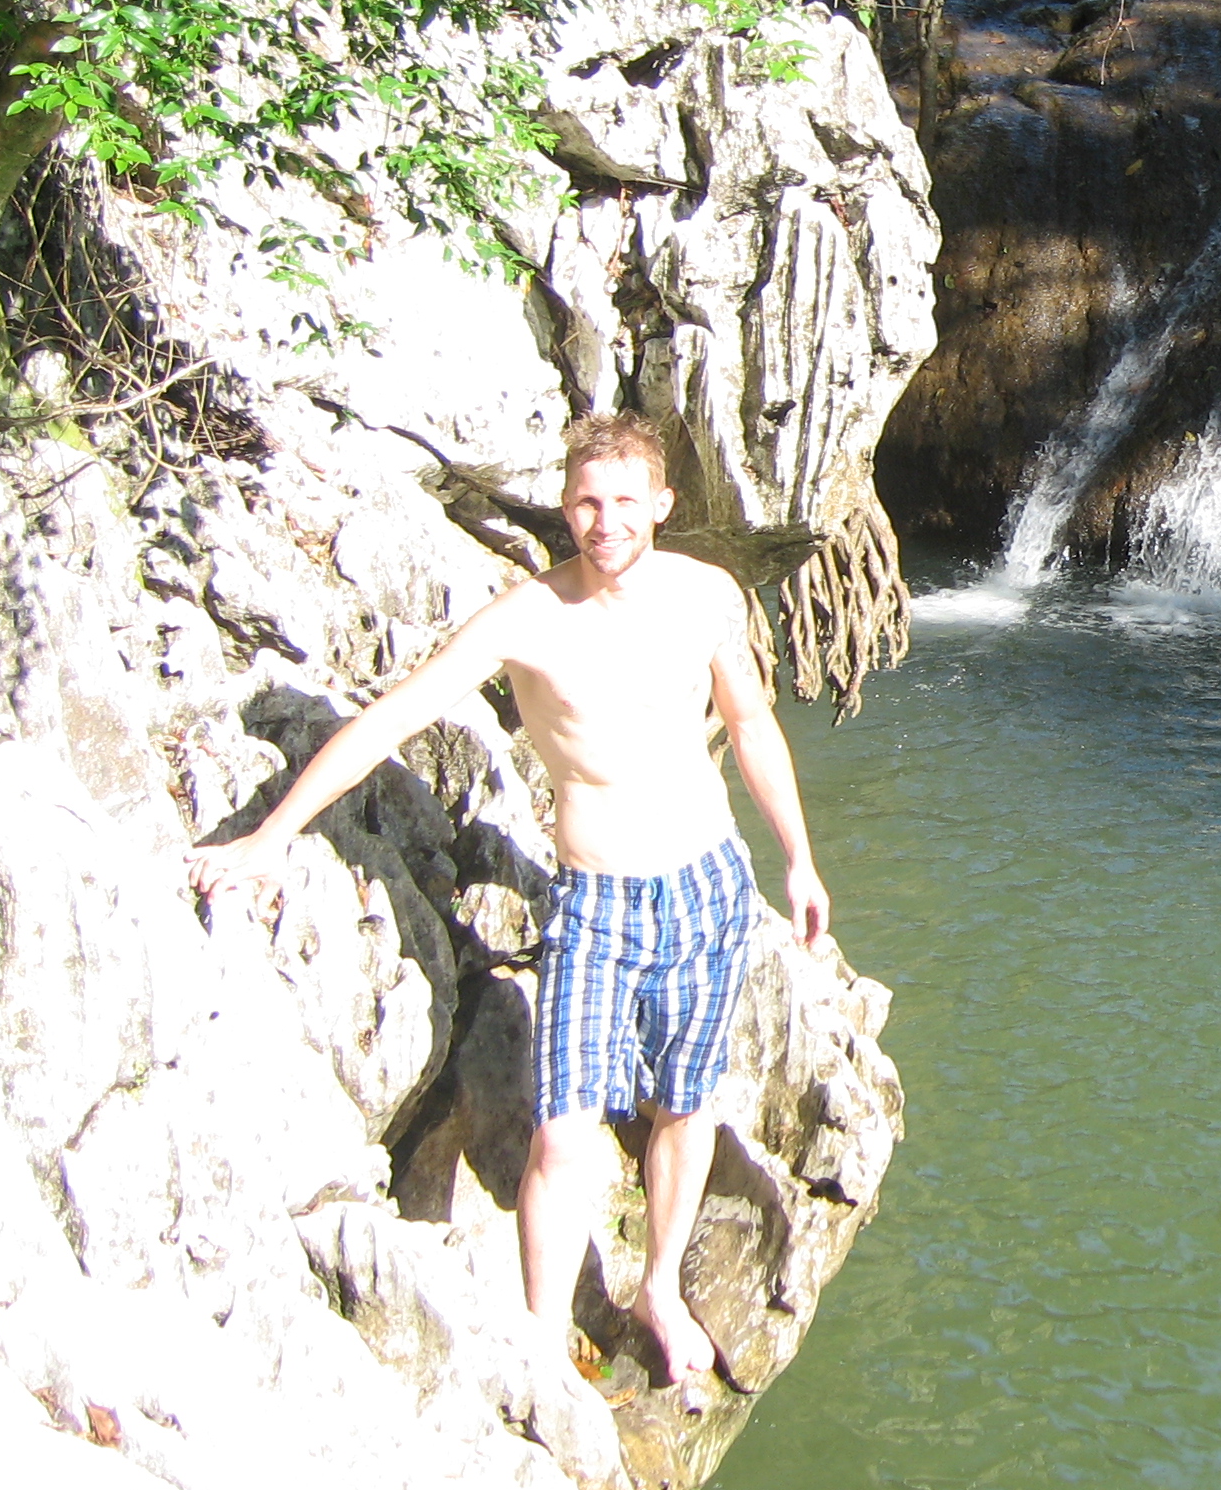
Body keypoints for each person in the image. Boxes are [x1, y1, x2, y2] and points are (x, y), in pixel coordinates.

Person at [187, 410, 831, 1401]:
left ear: (661, 504)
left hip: (707, 884)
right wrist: (272, 836)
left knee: (686, 1103)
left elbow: (749, 724)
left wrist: (799, 859)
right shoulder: (528, 617)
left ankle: (658, 1286)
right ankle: (538, 1345)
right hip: (597, 901)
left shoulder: (707, 596)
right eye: (585, 500)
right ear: (564, 503)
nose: (603, 520)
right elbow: (394, 719)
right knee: (563, 1134)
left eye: (623, 501)